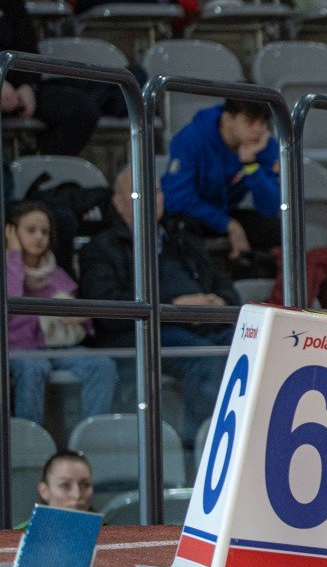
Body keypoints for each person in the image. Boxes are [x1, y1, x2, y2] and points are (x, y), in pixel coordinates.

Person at [78, 166, 240, 445]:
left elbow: (226, 287)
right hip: (142, 335)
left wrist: (219, 301)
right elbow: (107, 311)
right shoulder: (101, 249)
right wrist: (174, 307)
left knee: (252, 346)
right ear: (118, 203)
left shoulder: (182, 239)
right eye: (139, 192)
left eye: (155, 191)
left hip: (203, 326)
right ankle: (202, 451)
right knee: (203, 359)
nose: (151, 198)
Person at [6, 200, 116, 426]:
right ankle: (30, 446)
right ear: (12, 232)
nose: (39, 237)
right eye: (31, 230)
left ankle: (91, 438)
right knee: (33, 368)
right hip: (19, 351)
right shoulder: (7, 269)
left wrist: (82, 318)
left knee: (102, 365)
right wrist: (13, 255)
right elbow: (10, 306)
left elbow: (82, 319)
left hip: (60, 348)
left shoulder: (55, 271)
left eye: (45, 232)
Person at [159, 99, 280, 276]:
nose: (258, 130)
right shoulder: (193, 137)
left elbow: (269, 207)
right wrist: (228, 224)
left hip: (225, 211)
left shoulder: (264, 145)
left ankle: (271, 291)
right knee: (180, 229)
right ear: (227, 119)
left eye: (263, 123)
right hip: (189, 214)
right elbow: (175, 198)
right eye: (249, 122)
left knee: (276, 229)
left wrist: (251, 164)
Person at [0, 0, 97, 158]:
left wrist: (28, 85)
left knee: (81, 109)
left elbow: (27, 46)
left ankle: (41, 174)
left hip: (16, 87)